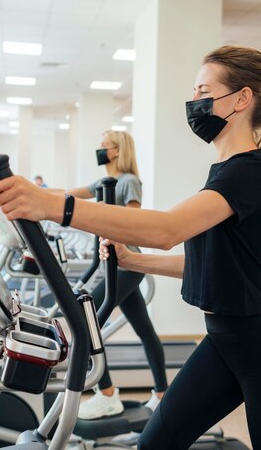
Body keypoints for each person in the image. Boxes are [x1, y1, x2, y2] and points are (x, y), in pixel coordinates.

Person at [0, 45, 261, 449]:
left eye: (204, 91)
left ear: (241, 99)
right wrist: (134, 260)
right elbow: (209, 265)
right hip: (224, 342)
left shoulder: (251, 171)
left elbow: (167, 228)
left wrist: (54, 207)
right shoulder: (228, 171)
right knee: (155, 445)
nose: (195, 102)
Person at [45, 129, 167, 419]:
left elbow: (135, 221)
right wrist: (33, 193)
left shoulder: (129, 182)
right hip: (111, 265)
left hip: (126, 264)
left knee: (84, 325)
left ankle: (108, 393)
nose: (99, 149)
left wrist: (107, 220)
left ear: (117, 150)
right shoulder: (102, 182)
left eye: (104, 145)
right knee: (145, 331)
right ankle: (162, 395)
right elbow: (69, 195)